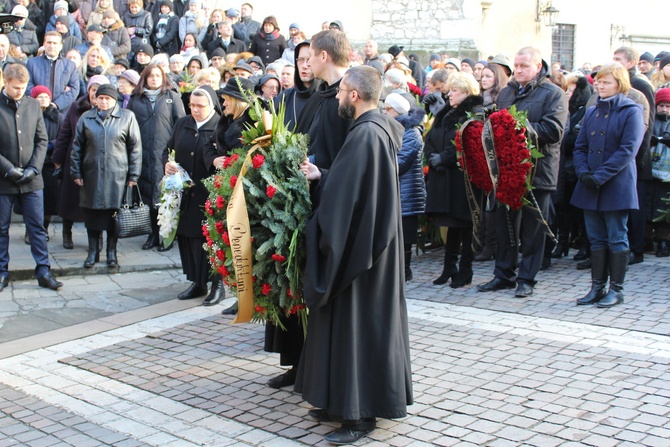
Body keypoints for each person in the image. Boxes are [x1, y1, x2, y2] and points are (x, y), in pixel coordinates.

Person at [295, 65, 412, 445]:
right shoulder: (373, 131)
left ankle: (360, 414)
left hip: (362, 255)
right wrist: (323, 175)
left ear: (355, 95)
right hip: (367, 247)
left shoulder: (365, 136)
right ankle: (336, 402)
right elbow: (353, 185)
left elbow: (345, 203)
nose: (339, 96)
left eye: (342, 91)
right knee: (345, 327)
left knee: (358, 329)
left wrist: (311, 228)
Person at [477, 47, 568, 297]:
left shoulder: (554, 94)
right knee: (504, 225)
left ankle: (526, 278)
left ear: (538, 67)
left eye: (523, 66)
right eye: (516, 66)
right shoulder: (507, 92)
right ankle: (503, 274)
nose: (518, 70)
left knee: (533, 230)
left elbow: (554, 131)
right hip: (508, 171)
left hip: (538, 171)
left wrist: (517, 127)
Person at [572, 62, 645, 308]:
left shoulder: (631, 111)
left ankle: (616, 290)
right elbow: (580, 146)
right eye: (599, 82)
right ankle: (597, 286)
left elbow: (628, 150)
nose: (600, 86)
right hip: (589, 184)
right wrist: (583, 172)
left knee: (617, 238)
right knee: (596, 240)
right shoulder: (592, 110)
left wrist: (600, 175)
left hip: (615, 183)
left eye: (606, 82)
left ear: (619, 84)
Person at [0, 64, 63, 292]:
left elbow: (42, 140)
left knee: (37, 227)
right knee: (1, 228)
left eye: (23, 87)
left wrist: (34, 168)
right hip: (3, 179)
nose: (19, 91)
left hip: (32, 179)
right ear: (5, 82)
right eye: (15, 87)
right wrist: (9, 169)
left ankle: (44, 271)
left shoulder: (33, 106)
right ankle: (2, 271)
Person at [70, 83, 142, 269]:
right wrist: (75, 171)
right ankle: (93, 251)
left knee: (113, 216)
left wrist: (134, 175)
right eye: (100, 98)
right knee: (92, 215)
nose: (103, 101)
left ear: (114, 100)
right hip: (91, 174)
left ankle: (112, 252)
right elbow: (77, 147)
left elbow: (135, 148)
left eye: (107, 98)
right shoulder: (86, 118)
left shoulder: (127, 117)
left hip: (117, 175)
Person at [164, 86, 223, 304]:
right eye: (192, 106)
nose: (195, 110)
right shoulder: (182, 123)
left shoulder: (219, 125)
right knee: (188, 239)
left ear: (211, 105)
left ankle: (217, 283)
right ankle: (197, 282)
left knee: (210, 240)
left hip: (208, 193)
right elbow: (168, 149)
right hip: (185, 193)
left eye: (200, 106)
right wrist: (167, 164)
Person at [425, 72, 484, 288]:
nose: (450, 94)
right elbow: (431, 136)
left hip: (461, 178)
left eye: (455, 91)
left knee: (465, 223)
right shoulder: (447, 112)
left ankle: (465, 268)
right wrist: (432, 157)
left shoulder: (474, 113)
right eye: (449, 90)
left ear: (467, 92)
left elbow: (467, 142)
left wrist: (445, 158)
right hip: (443, 175)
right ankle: (449, 266)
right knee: (451, 223)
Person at [127, 64, 185, 251]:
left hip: (165, 155)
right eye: (150, 76)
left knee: (165, 195)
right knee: (147, 194)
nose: (154, 79)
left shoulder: (172, 97)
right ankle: (152, 234)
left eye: (158, 76)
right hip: (142, 154)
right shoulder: (135, 100)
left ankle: (166, 236)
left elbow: (181, 124)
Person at [52, 75, 110, 250]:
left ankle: (97, 237)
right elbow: (64, 134)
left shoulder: (111, 111)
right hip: (75, 160)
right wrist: (58, 160)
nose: (96, 95)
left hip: (98, 164)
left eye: (100, 91)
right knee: (69, 201)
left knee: (96, 204)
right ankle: (67, 233)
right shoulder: (76, 107)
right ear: (89, 91)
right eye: (93, 90)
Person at [383, 92, 426, 281]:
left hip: (408, 193)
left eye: (388, 109)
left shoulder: (411, 133)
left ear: (398, 110)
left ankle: (404, 271)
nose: (384, 112)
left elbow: (399, 163)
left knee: (405, 238)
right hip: (398, 191)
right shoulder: (393, 128)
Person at [296, 30, 352, 170]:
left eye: (310, 56)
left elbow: (348, 159)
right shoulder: (319, 95)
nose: (307, 63)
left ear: (323, 56)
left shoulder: (351, 100)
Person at [474, 62, 509, 262]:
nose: (484, 79)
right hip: (482, 155)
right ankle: (486, 244)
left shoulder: (501, 99)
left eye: (488, 76)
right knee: (486, 202)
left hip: (497, 156)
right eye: (483, 76)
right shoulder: (480, 100)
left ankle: (493, 246)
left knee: (494, 203)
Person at [26, 86, 62, 245]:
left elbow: (62, 136)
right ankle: (30, 230)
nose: (43, 99)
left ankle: (44, 229)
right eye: (39, 96)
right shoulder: (27, 114)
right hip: (31, 161)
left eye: (46, 97)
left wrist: (49, 146)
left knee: (49, 200)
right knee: (30, 201)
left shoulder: (57, 117)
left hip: (49, 162)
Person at [26, 31, 80, 113]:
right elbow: (28, 85)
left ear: (61, 46)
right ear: (44, 44)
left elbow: (74, 89)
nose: (51, 46)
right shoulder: (32, 63)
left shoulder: (70, 65)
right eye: (49, 42)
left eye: (55, 43)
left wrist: (57, 104)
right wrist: (40, 100)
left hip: (61, 112)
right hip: (37, 110)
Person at [649, 88, 670, 256]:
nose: (664, 109)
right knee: (649, 206)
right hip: (651, 171)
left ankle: (664, 241)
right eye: (661, 105)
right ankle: (647, 239)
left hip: (667, 175)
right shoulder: (652, 121)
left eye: (668, 106)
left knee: (664, 209)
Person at [122, 0, 153, 66]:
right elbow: (121, 27)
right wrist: (127, 30)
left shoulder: (146, 15)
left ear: (140, 6)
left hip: (141, 42)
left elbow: (149, 30)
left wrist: (135, 30)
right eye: (132, 7)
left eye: (136, 7)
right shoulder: (126, 15)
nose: (134, 9)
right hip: (129, 44)